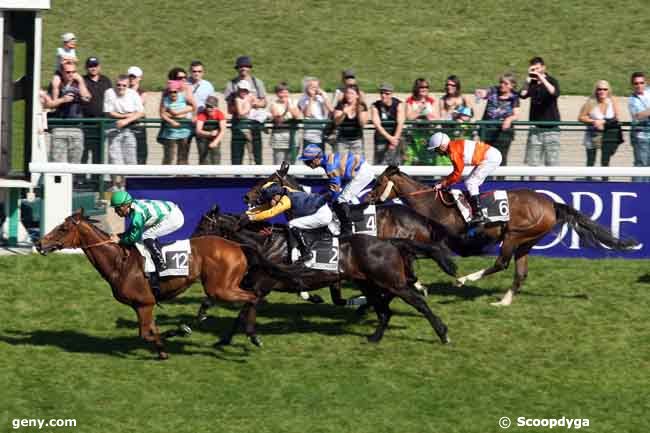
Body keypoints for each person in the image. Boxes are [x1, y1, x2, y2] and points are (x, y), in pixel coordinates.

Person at [109, 191, 185, 299]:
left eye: (117, 208)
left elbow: (133, 237)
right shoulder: (133, 208)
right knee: (144, 235)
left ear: (126, 205)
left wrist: (120, 240)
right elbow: (133, 230)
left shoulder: (137, 214)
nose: (116, 212)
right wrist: (121, 236)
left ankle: (161, 265)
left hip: (174, 217)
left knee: (146, 236)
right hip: (170, 210)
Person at [240, 183, 331, 264]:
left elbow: (271, 212)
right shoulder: (283, 190)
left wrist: (252, 217)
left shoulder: (286, 201)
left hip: (321, 214)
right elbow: (266, 207)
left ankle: (306, 253)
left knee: (292, 224)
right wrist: (248, 213)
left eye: (270, 199)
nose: (270, 202)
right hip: (318, 209)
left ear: (276, 196)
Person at [428, 132, 502, 226]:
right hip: (490, 156)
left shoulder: (453, 151)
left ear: (442, 146)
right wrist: (444, 182)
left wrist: (443, 183)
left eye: (436, 149)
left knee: (471, 183)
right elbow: (457, 173)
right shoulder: (454, 146)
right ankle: (479, 208)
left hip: (490, 158)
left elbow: (457, 174)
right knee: (471, 182)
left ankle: (479, 214)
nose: (437, 152)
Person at [299, 143, 374, 235]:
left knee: (340, 199)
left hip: (363, 173)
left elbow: (336, 188)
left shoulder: (329, 167)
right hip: (361, 170)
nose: (306, 164)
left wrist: (327, 200)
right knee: (341, 198)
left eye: (307, 161)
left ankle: (347, 231)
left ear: (315, 159)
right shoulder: (327, 160)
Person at [519, 57, 561, 177]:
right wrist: (527, 81)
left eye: (537, 68)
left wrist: (542, 78)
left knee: (552, 163)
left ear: (543, 67)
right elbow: (522, 95)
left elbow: (554, 92)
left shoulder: (552, 80)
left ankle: (554, 187)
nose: (535, 71)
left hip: (551, 129)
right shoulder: (531, 83)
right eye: (533, 69)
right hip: (535, 129)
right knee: (533, 163)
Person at [103, 75, 145, 189]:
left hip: (130, 129)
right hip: (114, 129)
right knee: (115, 159)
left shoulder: (133, 94)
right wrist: (129, 115)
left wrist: (126, 120)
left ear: (128, 85)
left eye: (124, 85)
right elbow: (109, 112)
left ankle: (125, 185)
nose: (121, 87)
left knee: (130, 159)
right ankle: (114, 185)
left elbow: (141, 112)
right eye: (118, 85)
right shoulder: (109, 92)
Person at [224, 56, 267, 165]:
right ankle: (237, 180)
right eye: (241, 66)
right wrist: (241, 107)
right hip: (238, 125)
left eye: (246, 66)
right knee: (236, 158)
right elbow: (229, 108)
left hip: (254, 125)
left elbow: (264, 102)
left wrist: (253, 104)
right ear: (237, 68)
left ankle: (258, 179)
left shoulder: (257, 83)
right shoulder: (231, 84)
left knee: (257, 158)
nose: (243, 68)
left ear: (250, 68)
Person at [48, 61, 91, 164]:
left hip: (76, 127)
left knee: (75, 161)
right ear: (62, 72)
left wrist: (81, 81)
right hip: (60, 126)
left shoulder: (78, 82)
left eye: (73, 71)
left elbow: (87, 98)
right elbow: (50, 105)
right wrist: (62, 100)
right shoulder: (57, 83)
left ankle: (74, 180)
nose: (71, 74)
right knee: (57, 161)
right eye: (68, 72)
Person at [578, 80, 622, 178]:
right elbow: (581, 117)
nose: (602, 91)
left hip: (608, 135)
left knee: (605, 162)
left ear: (608, 90)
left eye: (605, 89)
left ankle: (605, 183)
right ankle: (588, 182)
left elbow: (617, 117)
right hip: (592, 135)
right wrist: (593, 121)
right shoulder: (590, 102)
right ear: (596, 90)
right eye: (599, 89)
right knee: (590, 162)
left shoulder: (613, 100)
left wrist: (603, 122)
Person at [475, 73, 520, 167]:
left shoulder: (514, 97)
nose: (502, 85)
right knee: (486, 159)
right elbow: (484, 93)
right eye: (501, 82)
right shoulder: (493, 90)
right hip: (487, 131)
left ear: (512, 85)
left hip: (503, 134)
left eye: (505, 83)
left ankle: (500, 181)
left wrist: (509, 119)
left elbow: (516, 114)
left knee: (501, 159)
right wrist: (481, 93)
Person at [81, 57, 112, 166]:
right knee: (83, 153)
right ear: (86, 68)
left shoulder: (106, 80)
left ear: (99, 66)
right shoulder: (82, 80)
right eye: (90, 66)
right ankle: (81, 180)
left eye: (95, 66)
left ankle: (96, 180)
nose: (93, 68)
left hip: (101, 123)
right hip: (85, 123)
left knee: (98, 154)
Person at [404, 78, 439, 165]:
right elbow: (409, 117)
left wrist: (427, 115)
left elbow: (437, 118)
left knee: (428, 161)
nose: (424, 89)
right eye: (421, 87)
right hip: (414, 136)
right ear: (416, 88)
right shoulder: (410, 101)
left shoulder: (432, 101)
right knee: (412, 160)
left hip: (428, 134)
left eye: (426, 87)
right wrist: (419, 109)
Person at [159, 80, 192, 164]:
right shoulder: (166, 100)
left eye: (175, 92)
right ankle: (165, 176)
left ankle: (181, 176)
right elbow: (162, 114)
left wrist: (178, 113)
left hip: (184, 131)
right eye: (170, 92)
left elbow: (193, 107)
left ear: (178, 91)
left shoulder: (183, 97)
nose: (173, 94)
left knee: (182, 158)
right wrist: (171, 121)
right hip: (170, 133)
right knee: (168, 157)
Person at [371, 82, 405, 164]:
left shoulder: (398, 104)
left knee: (396, 164)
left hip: (396, 138)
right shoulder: (375, 106)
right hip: (381, 139)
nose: (383, 95)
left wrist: (395, 139)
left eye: (387, 93)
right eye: (381, 93)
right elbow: (377, 125)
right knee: (380, 164)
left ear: (391, 94)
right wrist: (390, 138)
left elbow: (400, 123)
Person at [298, 76, 333, 153]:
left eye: (317, 87)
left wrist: (323, 96)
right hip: (310, 133)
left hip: (321, 131)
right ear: (307, 88)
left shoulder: (321, 97)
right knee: (309, 158)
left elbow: (331, 109)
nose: (315, 89)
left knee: (320, 158)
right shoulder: (303, 99)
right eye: (312, 87)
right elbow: (307, 114)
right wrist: (311, 98)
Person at [270, 82, 302, 164]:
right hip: (279, 140)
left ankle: (291, 177)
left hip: (294, 139)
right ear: (277, 94)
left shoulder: (294, 102)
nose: (283, 94)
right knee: (279, 164)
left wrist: (289, 106)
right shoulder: (274, 104)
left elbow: (297, 116)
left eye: (286, 92)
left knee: (292, 163)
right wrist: (285, 109)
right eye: (281, 92)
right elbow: (278, 120)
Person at [333, 84, 368, 155]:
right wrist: (344, 113)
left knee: (356, 164)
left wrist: (359, 112)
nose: (349, 95)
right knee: (342, 164)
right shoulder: (340, 105)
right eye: (347, 93)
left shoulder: (362, 106)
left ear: (357, 95)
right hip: (342, 141)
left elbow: (362, 124)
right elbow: (337, 122)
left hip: (357, 141)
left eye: (351, 93)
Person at [628, 72, 650, 182]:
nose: (639, 85)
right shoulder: (632, 99)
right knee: (641, 164)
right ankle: (638, 190)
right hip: (642, 136)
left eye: (641, 83)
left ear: (646, 83)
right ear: (633, 85)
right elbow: (638, 115)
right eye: (636, 83)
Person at [439, 75, 474, 139]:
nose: (449, 87)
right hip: (449, 129)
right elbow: (443, 118)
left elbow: (471, 113)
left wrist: (459, 110)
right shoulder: (443, 99)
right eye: (447, 85)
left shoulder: (464, 98)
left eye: (452, 85)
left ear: (457, 86)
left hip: (463, 129)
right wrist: (451, 112)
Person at [195, 95, 226, 165]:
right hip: (203, 140)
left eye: (211, 107)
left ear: (216, 107)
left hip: (215, 139)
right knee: (204, 161)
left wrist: (216, 142)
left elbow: (223, 130)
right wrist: (209, 133)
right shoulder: (202, 114)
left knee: (216, 159)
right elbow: (198, 130)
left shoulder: (220, 114)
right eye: (207, 106)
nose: (209, 109)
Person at [127, 66, 148, 164]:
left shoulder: (142, 92)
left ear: (140, 78)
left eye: (134, 77)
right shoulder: (123, 90)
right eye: (130, 76)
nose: (132, 79)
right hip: (127, 126)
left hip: (138, 126)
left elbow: (137, 108)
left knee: (141, 153)